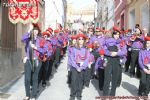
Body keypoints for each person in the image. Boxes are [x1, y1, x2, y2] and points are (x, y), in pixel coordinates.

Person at [22, 23, 46, 100]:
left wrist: (36, 47)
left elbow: (44, 50)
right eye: (33, 30)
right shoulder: (28, 39)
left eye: (36, 30)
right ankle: (27, 95)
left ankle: (33, 96)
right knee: (27, 79)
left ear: (38, 31)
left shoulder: (41, 40)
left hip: (37, 61)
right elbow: (22, 39)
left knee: (35, 78)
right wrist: (28, 30)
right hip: (28, 60)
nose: (35, 31)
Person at [103, 27, 127, 96]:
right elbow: (104, 50)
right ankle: (105, 95)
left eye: (118, 34)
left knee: (114, 79)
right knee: (107, 78)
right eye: (115, 34)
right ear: (112, 34)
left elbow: (124, 51)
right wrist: (110, 53)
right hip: (108, 59)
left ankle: (112, 94)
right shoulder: (107, 41)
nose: (117, 35)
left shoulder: (121, 42)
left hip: (117, 61)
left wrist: (117, 53)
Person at [69, 34, 90, 100]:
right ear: (77, 40)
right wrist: (76, 67)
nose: (81, 41)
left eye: (82, 39)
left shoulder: (86, 49)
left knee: (80, 81)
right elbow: (72, 58)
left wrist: (81, 67)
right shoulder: (73, 48)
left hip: (82, 67)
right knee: (74, 81)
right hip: (75, 67)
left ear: (84, 41)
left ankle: (79, 95)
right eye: (79, 39)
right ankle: (72, 95)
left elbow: (87, 59)